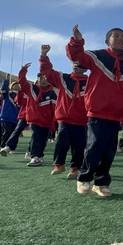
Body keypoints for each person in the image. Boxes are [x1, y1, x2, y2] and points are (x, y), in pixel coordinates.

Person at [68, 23, 123, 197]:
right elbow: (77, 56)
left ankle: (102, 182)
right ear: (107, 41)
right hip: (97, 111)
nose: (120, 39)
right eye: (116, 36)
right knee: (95, 145)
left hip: (116, 114)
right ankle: (84, 178)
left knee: (109, 150)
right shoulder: (98, 56)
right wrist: (77, 40)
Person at [39, 44, 89, 178]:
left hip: (81, 120)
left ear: (85, 68)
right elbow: (47, 72)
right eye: (74, 63)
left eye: (78, 64)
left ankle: (75, 168)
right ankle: (59, 165)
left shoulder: (90, 82)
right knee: (62, 142)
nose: (75, 66)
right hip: (64, 119)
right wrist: (44, 56)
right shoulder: (63, 78)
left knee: (79, 146)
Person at [17, 64, 57, 167]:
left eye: (45, 78)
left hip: (46, 122)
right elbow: (21, 82)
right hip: (33, 120)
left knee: (42, 140)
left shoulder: (53, 94)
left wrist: (53, 123)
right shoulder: (32, 88)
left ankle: (39, 156)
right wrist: (23, 70)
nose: (43, 80)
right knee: (35, 137)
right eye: (40, 78)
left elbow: (55, 110)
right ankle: (34, 157)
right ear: (38, 80)